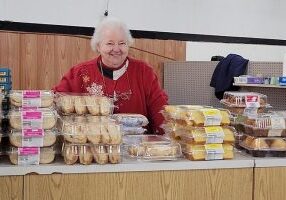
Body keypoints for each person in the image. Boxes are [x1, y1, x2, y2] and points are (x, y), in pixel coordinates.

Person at [53, 17, 168, 134]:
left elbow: (160, 111)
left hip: (136, 147)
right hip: (93, 147)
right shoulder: (80, 73)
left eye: (122, 43)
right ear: (98, 46)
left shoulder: (144, 72)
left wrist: (166, 138)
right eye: (110, 43)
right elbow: (56, 100)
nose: (116, 49)